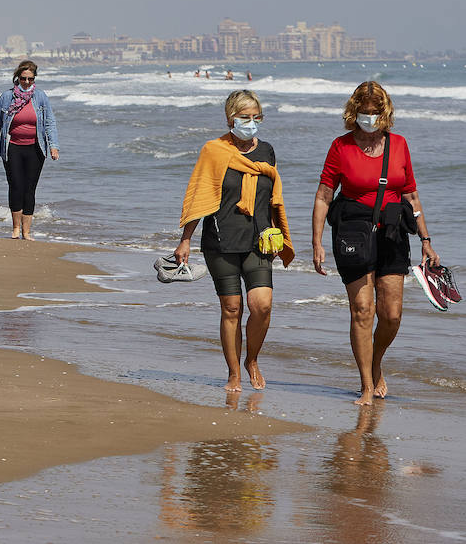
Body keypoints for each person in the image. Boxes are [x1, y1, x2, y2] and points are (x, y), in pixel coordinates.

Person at [311, 81, 439, 404]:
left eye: (375, 113)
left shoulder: (399, 145)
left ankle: (376, 360)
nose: (369, 118)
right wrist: (316, 241)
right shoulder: (341, 147)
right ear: (354, 113)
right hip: (353, 232)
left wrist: (426, 239)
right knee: (362, 310)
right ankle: (366, 385)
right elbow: (325, 195)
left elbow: (411, 193)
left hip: (393, 233)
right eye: (364, 112)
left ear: (385, 114)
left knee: (392, 314)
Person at [175, 90, 294, 393]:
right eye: (244, 117)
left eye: (256, 117)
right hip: (220, 240)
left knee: (262, 305)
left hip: (258, 241)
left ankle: (251, 360)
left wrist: (279, 232)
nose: (251, 122)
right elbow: (199, 196)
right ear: (230, 118)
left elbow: (272, 198)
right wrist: (185, 240)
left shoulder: (267, 150)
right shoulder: (213, 151)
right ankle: (233, 374)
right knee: (231, 309)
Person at [0, 60, 60, 240]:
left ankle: (27, 231)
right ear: (17, 77)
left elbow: (49, 123)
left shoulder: (40, 97)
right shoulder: (6, 97)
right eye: (23, 78)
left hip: (35, 148)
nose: (26, 82)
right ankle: (16, 228)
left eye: (30, 79)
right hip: (13, 148)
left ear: (34, 79)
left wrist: (54, 146)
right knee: (16, 186)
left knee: (29, 189)